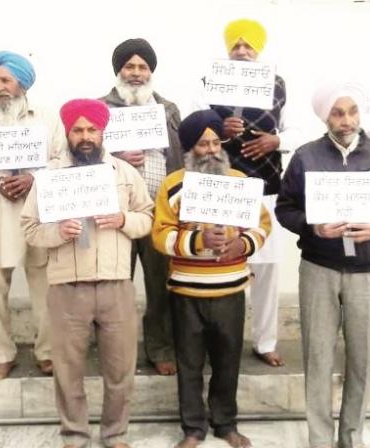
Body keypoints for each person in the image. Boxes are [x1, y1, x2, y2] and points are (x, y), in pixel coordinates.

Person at [276, 83, 370, 448]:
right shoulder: (306, 157)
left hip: (369, 272)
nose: (347, 120)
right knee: (318, 357)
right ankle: (319, 439)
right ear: (326, 116)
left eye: (352, 111)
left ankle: (351, 437)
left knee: (362, 360)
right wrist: (312, 225)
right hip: (319, 269)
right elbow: (285, 209)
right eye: (338, 113)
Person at [22, 98, 154, 448]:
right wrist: (57, 232)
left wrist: (124, 220)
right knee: (67, 371)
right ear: (67, 132)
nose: (84, 136)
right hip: (67, 287)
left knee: (120, 370)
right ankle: (74, 436)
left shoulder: (125, 173)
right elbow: (30, 228)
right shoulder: (48, 177)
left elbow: (148, 218)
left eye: (91, 129)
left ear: (102, 132)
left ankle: (115, 434)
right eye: (77, 129)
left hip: (115, 286)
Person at [152, 110, 270, 448]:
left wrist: (241, 244)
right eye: (203, 144)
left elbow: (262, 226)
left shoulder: (240, 182)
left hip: (230, 290)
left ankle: (225, 424)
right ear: (190, 147)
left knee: (227, 360)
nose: (211, 149)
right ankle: (192, 429)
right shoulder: (173, 184)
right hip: (187, 292)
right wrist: (198, 242)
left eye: (216, 142)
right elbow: (160, 235)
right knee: (189, 364)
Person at [0, 51, 66, 378]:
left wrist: (34, 177)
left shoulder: (47, 118)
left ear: (22, 82)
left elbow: (62, 160)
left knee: (45, 288)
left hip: (38, 215)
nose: (0, 86)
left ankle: (47, 352)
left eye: (6, 80)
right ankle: (2, 354)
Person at [208, 18, 304, 367]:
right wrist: (218, 128)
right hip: (222, 187)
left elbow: (296, 130)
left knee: (267, 268)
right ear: (228, 50)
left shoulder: (277, 85)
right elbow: (192, 130)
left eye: (249, 46)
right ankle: (222, 341)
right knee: (224, 263)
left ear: (258, 49)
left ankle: (265, 341)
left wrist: (276, 141)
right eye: (237, 46)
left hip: (266, 188)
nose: (243, 51)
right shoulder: (210, 81)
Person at [99, 37, 183, 375]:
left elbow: (179, 155)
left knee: (160, 284)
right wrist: (114, 156)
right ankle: (114, 351)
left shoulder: (168, 109)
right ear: (119, 70)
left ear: (151, 71)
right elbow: (82, 153)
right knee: (115, 286)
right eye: (130, 66)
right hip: (115, 212)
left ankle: (160, 347)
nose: (136, 73)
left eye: (142, 67)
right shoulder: (100, 108)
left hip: (158, 211)